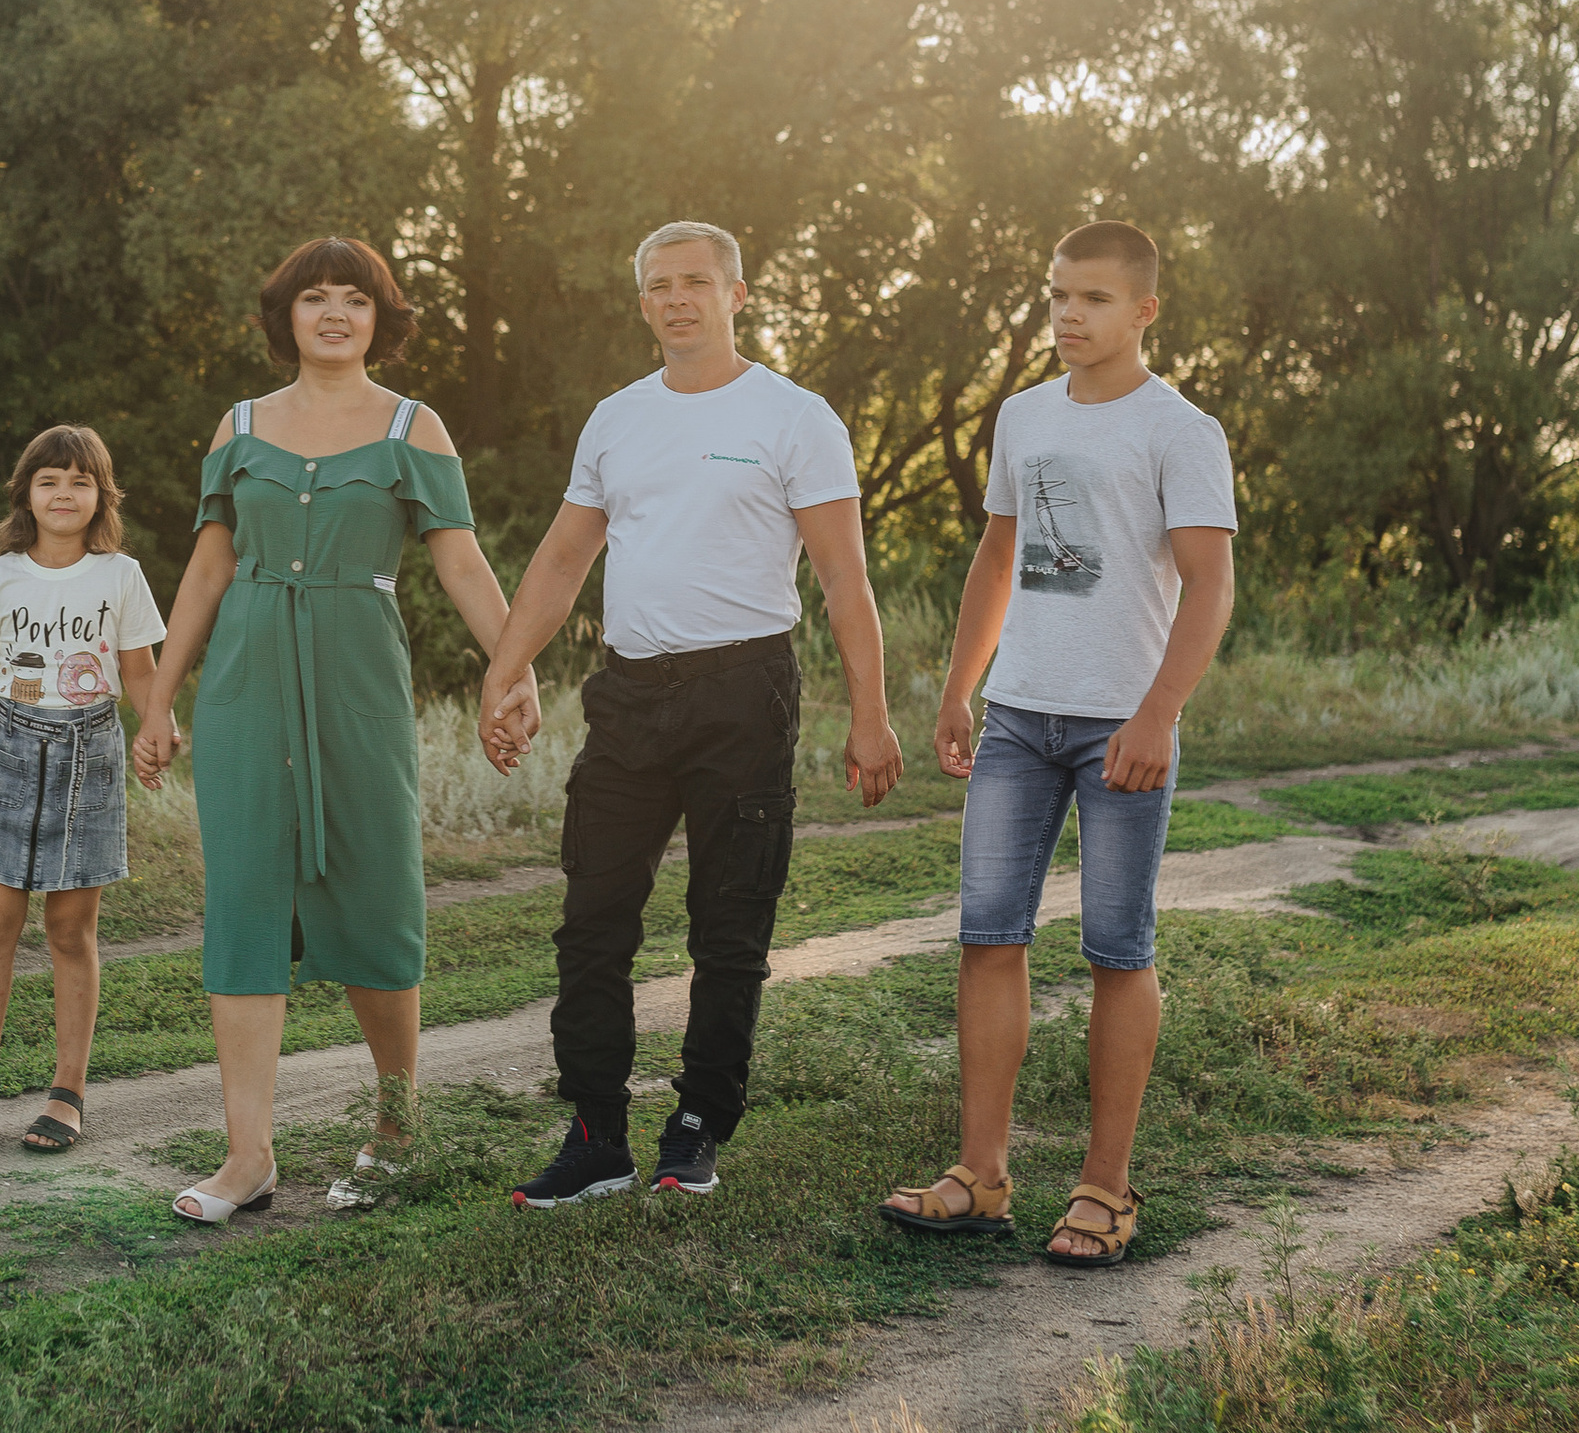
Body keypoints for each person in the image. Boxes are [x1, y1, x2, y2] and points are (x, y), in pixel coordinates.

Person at [473, 219, 903, 1206]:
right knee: (591, 925)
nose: (677, 299)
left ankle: (697, 1125)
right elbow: (563, 559)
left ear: (735, 294)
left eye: (696, 282)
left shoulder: (795, 418)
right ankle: (594, 1136)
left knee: (728, 930)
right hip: (627, 696)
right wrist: (504, 673)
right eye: (659, 285)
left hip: (742, 695)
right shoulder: (617, 419)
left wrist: (869, 716)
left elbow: (844, 581)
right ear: (641, 304)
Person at [131, 236, 529, 1225]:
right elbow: (209, 570)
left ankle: (396, 1125)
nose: (335, 314)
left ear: (378, 316)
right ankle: (246, 1158)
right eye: (315, 299)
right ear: (287, 317)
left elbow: (463, 566)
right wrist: (156, 699)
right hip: (246, 682)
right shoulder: (238, 427)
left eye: (355, 299)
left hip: (358, 677)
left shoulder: (412, 428)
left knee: (376, 895)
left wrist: (510, 668)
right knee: (246, 905)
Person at [882, 220, 1236, 1268]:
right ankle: (980, 1177)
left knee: (1116, 948)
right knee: (987, 938)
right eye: (1055, 297)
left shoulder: (1180, 430)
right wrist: (960, 688)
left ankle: (1104, 1190)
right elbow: (997, 557)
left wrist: (1158, 715)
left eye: (1090, 298)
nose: (1067, 316)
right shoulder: (1023, 417)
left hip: (1119, 726)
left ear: (1143, 311)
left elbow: (1210, 586)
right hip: (1016, 719)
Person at [0, 422, 167, 1154]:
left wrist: (155, 726)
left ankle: (67, 1092)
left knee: (70, 930)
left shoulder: (121, 574)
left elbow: (138, 670)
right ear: (26, 494)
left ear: (101, 494)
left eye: (79, 480)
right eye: (49, 480)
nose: (64, 492)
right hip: (6, 751)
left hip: (91, 752)